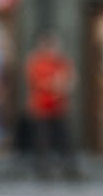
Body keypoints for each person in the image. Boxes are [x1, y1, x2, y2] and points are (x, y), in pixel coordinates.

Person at [26, 31, 80, 179]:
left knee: (65, 140)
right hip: (41, 108)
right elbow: (40, 83)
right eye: (52, 46)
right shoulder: (37, 62)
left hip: (59, 107)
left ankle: (70, 170)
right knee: (42, 141)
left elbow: (71, 80)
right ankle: (42, 171)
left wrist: (62, 85)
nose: (55, 50)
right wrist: (57, 85)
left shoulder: (62, 62)